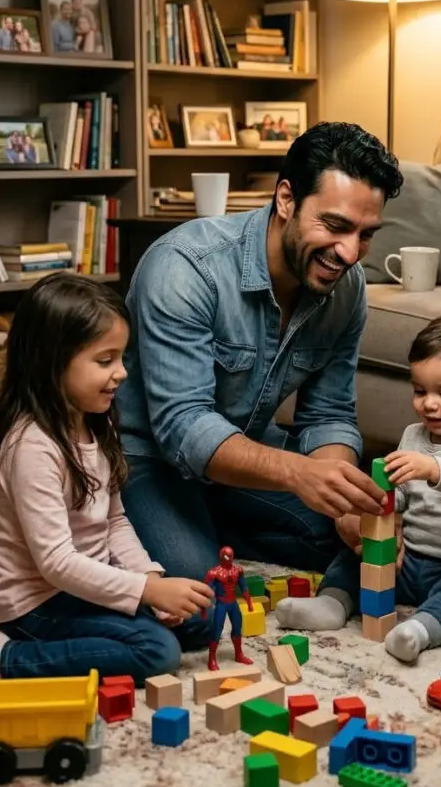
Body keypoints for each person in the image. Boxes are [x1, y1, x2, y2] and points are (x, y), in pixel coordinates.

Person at [117, 123, 404, 649]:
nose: (349, 252)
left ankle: (208, 526)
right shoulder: (185, 267)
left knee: (366, 543)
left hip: (242, 458)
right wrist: (298, 474)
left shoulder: (347, 288)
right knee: (198, 613)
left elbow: (329, 413)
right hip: (149, 461)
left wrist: (343, 502)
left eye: (366, 234)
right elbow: (183, 428)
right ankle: (136, 532)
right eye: (335, 225)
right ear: (286, 199)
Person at [0, 273, 212, 688]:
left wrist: (151, 580)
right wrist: (143, 592)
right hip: (36, 603)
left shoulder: (96, 421)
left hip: (88, 582)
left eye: (121, 358)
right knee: (158, 652)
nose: (121, 373)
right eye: (105, 361)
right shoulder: (31, 447)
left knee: (204, 620)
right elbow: (56, 564)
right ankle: (3, 658)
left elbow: (114, 521)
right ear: (52, 363)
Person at [276, 312, 441, 664]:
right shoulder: (413, 436)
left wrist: (433, 468)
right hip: (410, 556)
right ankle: (332, 602)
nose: (429, 403)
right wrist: (375, 500)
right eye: (420, 391)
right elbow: (401, 494)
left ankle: (420, 631)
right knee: (353, 560)